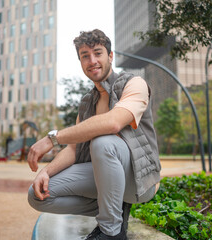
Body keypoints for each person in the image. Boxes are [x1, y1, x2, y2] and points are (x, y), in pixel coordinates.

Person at [27, 29, 161, 240]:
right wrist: (46, 172)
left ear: (110, 56)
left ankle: (111, 232)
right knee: (37, 196)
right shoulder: (87, 103)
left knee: (103, 142)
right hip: (106, 177)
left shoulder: (134, 84)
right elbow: (73, 149)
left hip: (139, 181)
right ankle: (115, 210)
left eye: (98, 53)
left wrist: (52, 138)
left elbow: (114, 122)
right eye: (85, 56)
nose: (92, 61)